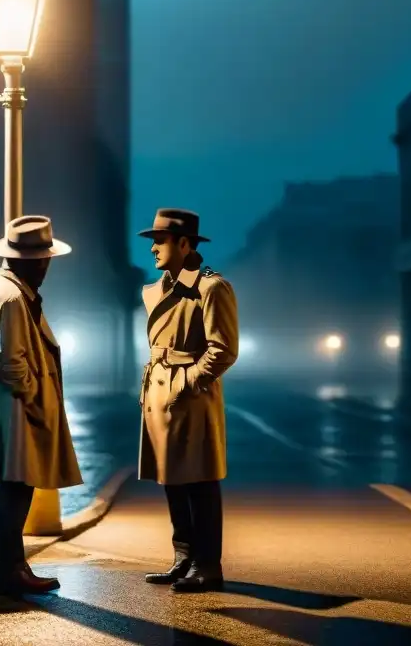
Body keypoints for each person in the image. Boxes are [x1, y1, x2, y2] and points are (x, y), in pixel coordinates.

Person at [0, 215, 83, 597]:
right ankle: (7, 570)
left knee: (11, 489)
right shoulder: (13, 298)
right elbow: (11, 362)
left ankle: (8, 567)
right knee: (16, 489)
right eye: (43, 259)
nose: (47, 267)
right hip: (16, 412)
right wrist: (34, 397)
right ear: (30, 261)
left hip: (5, 410)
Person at [136, 208, 239, 592]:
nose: (152, 250)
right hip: (158, 390)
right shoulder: (156, 289)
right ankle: (183, 557)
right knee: (172, 478)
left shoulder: (212, 288)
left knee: (200, 480)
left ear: (183, 243)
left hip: (189, 395)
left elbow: (223, 349)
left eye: (159, 241)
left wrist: (187, 381)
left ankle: (208, 564)